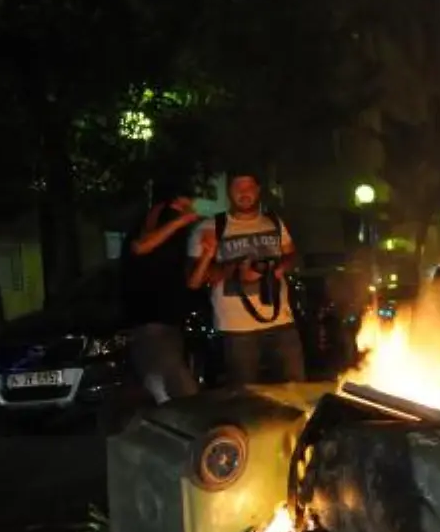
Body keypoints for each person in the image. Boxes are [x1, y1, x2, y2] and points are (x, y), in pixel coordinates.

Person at [187, 171, 305, 386]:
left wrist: (278, 269)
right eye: (237, 189)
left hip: (281, 322)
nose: (244, 194)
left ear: (258, 190)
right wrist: (234, 270)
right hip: (237, 329)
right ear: (229, 193)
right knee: (245, 395)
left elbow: (292, 255)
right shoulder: (210, 228)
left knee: (295, 390)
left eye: (248, 188)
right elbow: (195, 280)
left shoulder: (274, 222)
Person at [121, 180, 203, 403]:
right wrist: (179, 221)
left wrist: (206, 253)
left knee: (163, 384)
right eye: (184, 206)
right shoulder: (159, 221)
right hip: (153, 322)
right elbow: (141, 246)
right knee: (182, 389)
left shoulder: (176, 238)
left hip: (169, 323)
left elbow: (190, 281)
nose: (190, 212)